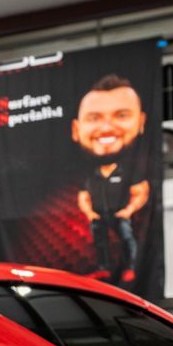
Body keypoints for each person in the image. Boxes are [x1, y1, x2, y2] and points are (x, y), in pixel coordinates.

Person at [72, 74, 150, 284]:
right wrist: (90, 213)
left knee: (127, 239)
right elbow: (84, 196)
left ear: (141, 122)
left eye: (121, 115)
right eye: (94, 118)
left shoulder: (132, 170)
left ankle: (131, 267)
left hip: (120, 214)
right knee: (100, 242)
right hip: (99, 215)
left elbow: (140, 191)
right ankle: (103, 268)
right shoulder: (89, 174)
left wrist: (128, 211)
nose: (106, 127)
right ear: (76, 129)